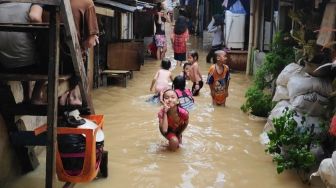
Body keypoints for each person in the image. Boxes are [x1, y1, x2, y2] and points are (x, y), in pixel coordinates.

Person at [0, 3, 45, 104]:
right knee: (48, 50)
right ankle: (36, 96)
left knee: (24, 48)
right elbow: (35, 17)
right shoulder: (32, 3)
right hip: (29, 65)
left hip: (5, 64)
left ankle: (26, 96)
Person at [59, 0, 99, 106]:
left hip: (47, 58)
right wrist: (86, 44)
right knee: (80, 57)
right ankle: (73, 96)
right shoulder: (87, 2)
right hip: (71, 59)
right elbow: (90, 42)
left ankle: (68, 96)